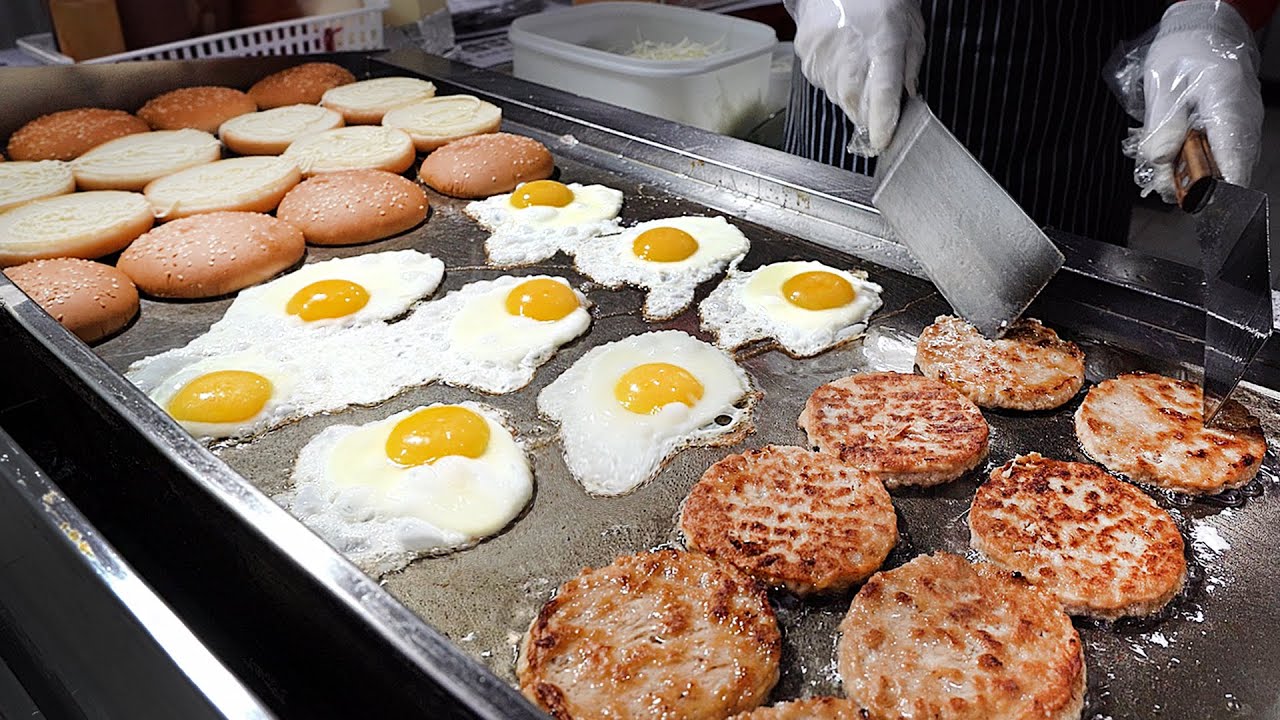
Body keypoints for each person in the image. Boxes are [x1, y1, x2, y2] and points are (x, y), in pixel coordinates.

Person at [783, 0, 1276, 245]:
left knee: (1058, 318)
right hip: (856, 62)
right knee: (816, 277)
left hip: (1061, 99)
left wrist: (1212, 13)